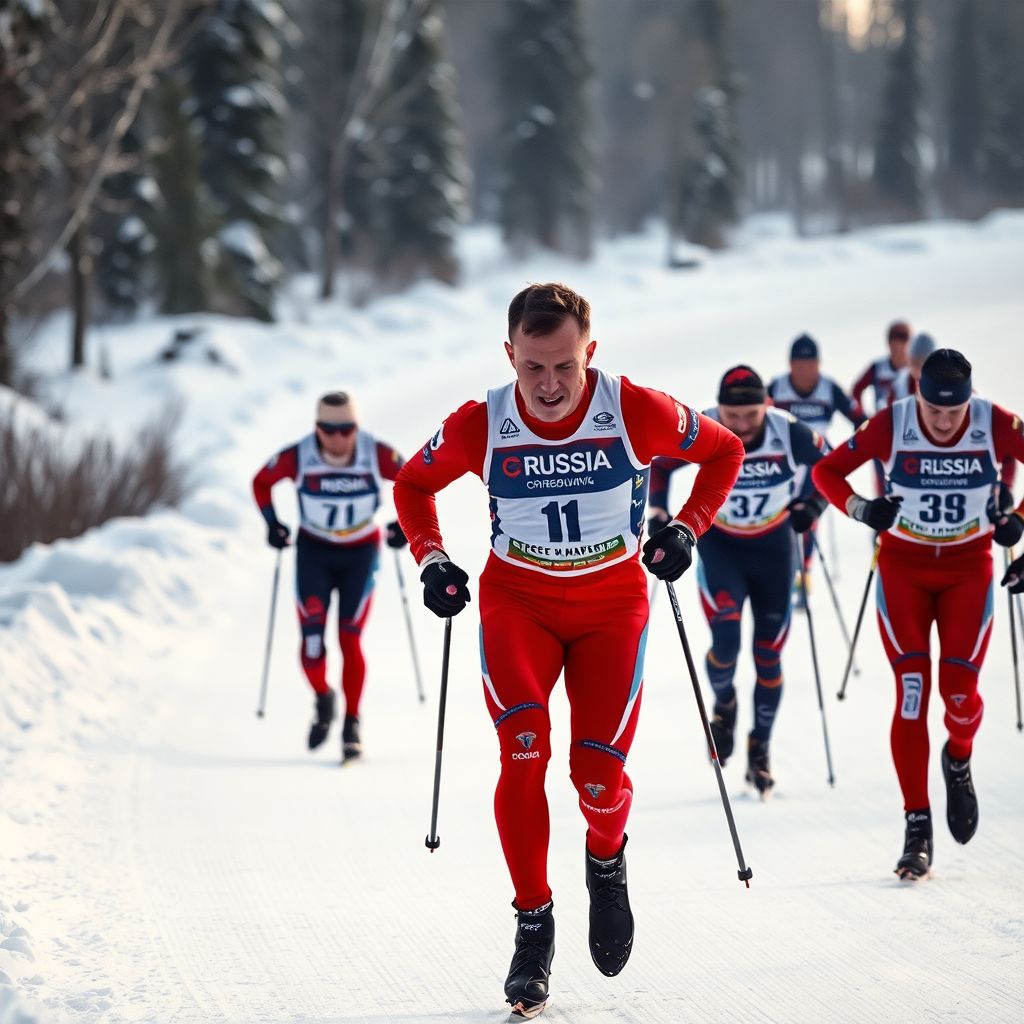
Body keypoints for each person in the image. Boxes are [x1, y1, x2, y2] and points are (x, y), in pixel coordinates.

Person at [393, 283, 743, 1018]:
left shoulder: (635, 409)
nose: (549, 387)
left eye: (564, 367)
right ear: (510, 355)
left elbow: (724, 452)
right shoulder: (481, 422)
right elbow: (413, 484)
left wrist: (687, 528)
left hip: (612, 605)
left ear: (590, 351)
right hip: (516, 601)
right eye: (532, 369)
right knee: (522, 749)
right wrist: (432, 559)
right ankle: (532, 924)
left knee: (596, 776)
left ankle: (606, 859)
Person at [812, 349, 1024, 880]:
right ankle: (917, 826)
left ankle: (958, 757)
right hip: (903, 570)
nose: (945, 422)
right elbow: (827, 472)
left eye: (954, 414)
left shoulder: (995, 422)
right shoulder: (895, 421)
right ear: (919, 398)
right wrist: (863, 509)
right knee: (911, 690)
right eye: (935, 412)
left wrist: (1017, 519)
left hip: (967, 570)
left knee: (959, 695)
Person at [649, 365, 828, 799]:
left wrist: (813, 504)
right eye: (733, 415)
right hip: (721, 545)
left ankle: (760, 747)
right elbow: (659, 464)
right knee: (726, 640)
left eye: (751, 415)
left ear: (767, 405)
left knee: (768, 653)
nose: (742, 425)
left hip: (774, 548)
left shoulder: (789, 431)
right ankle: (724, 705)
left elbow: (831, 466)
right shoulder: (703, 425)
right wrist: (658, 511)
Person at [252, 391, 408, 762]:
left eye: (346, 429)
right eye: (328, 429)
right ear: (316, 428)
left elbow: (416, 481)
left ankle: (352, 723)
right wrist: (273, 525)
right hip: (314, 552)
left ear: (357, 427)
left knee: (349, 637)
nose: (338, 438)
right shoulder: (299, 455)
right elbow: (261, 482)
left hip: (361, 551)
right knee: (311, 644)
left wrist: (405, 525)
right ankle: (324, 698)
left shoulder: (377, 453)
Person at [768, 334, 865, 597]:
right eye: (799, 364)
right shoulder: (777, 387)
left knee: (808, 513)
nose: (804, 369)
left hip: (815, 462)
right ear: (790, 365)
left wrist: (847, 455)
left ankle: (804, 575)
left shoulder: (829, 389)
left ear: (818, 364)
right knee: (779, 515)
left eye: (810, 364)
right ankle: (782, 570)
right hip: (784, 462)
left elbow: (861, 421)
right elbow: (756, 417)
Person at [851, 320, 911, 414]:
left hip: (908, 422)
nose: (900, 348)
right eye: (895, 341)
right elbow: (856, 391)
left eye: (905, 341)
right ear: (889, 343)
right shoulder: (877, 368)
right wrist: (861, 417)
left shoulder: (916, 370)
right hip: (884, 421)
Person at [890, 332, 936, 401]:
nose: (918, 369)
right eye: (915, 363)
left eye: (923, 365)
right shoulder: (899, 384)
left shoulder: (940, 386)